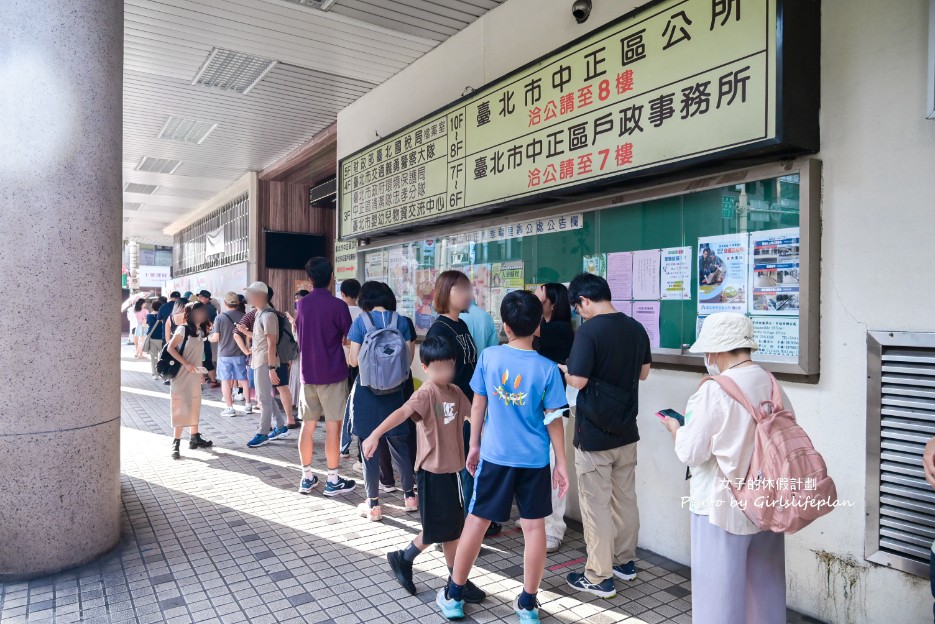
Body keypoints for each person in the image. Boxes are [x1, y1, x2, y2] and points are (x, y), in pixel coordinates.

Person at [438, 290, 568, 623]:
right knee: (534, 528)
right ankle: (527, 604)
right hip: (535, 460)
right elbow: (554, 420)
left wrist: (475, 445)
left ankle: (453, 595)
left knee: (477, 521)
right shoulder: (548, 369)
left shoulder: (491, 357)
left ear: (505, 326)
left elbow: (478, 404)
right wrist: (561, 464)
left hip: (495, 456)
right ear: (538, 325)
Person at [660, 313, 786, 624]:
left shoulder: (715, 390)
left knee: (718, 597)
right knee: (765, 589)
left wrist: (676, 429)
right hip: (766, 501)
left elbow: (692, 451)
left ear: (716, 350)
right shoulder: (769, 382)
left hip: (720, 506)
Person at [361, 336, 485, 603]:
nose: (445, 373)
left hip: (452, 472)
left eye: (449, 367)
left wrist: (488, 443)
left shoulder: (456, 392)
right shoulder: (426, 393)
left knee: (451, 529)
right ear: (426, 367)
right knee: (439, 529)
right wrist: (375, 435)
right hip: (430, 472)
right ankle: (409, 560)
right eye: (439, 368)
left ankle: (451, 577)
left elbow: (474, 417)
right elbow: (403, 413)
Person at [559, 273, 651, 598]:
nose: (578, 313)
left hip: (595, 434)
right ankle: (625, 563)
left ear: (584, 300)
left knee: (595, 504)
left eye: (577, 307)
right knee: (626, 499)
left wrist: (565, 371)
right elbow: (643, 373)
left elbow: (579, 382)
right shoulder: (636, 328)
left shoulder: (589, 332)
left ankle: (599, 576)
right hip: (627, 431)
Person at [425, 271, 501, 535]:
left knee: (470, 467)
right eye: (465, 289)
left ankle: (470, 525)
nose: (470, 294)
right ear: (449, 292)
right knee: (461, 470)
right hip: (454, 412)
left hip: (469, 408)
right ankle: (460, 531)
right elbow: (438, 379)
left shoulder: (462, 325)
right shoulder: (439, 329)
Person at [346, 281, 417, 521]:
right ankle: (410, 497)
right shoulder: (403, 322)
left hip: (367, 394)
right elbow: (408, 359)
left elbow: (353, 362)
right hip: (396, 394)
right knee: (400, 446)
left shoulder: (361, 322)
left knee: (369, 448)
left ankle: (373, 505)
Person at [516, 283, 575, 552]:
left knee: (553, 465)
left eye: (540, 295)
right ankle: (536, 518)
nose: (536, 299)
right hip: (535, 407)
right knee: (535, 465)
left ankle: (554, 527)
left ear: (552, 302)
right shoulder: (542, 328)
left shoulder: (558, 330)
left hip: (553, 408)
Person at [294, 257, 357, 497]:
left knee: (307, 426)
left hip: (307, 374)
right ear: (332, 277)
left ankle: (307, 477)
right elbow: (348, 338)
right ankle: (332, 479)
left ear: (309, 280)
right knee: (333, 427)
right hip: (333, 372)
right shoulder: (338, 306)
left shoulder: (302, 305)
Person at [243, 282, 290, 448]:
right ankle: (280, 425)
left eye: (251, 294)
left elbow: (272, 343)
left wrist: (271, 368)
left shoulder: (268, 315)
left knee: (262, 398)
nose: (248, 297)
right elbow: (262, 339)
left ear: (261, 296)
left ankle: (263, 433)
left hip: (265, 362)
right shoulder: (259, 313)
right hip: (259, 360)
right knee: (265, 396)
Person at [165, 302, 214, 459]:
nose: (201, 315)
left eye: (202, 312)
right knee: (180, 406)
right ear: (190, 314)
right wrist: (185, 363)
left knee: (194, 404)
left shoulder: (200, 331)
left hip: (194, 375)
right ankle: (176, 442)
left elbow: (199, 355)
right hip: (180, 374)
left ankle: (194, 437)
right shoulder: (182, 328)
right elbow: (170, 348)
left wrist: (201, 373)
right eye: (197, 312)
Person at [211, 292, 249, 417]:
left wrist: (208, 338)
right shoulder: (245, 316)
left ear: (225, 303)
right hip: (240, 353)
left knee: (225, 381)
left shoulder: (220, 318)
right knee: (243, 379)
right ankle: (248, 405)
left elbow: (216, 337)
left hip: (224, 355)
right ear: (238, 303)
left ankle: (230, 408)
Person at [287, 290, 309, 427]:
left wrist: (293, 323)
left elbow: (298, 334)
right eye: (296, 299)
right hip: (298, 351)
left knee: (302, 380)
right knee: (297, 378)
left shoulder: (306, 313)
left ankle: (304, 409)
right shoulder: (298, 312)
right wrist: (293, 323)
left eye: (299, 299)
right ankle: (300, 408)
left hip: (304, 351)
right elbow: (294, 334)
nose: (297, 301)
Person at [197, 290, 219, 387]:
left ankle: (212, 380)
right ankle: (206, 379)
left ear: (206, 298)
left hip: (204, 337)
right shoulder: (206, 308)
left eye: (201, 297)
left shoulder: (208, 309)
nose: (199, 299)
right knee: (203, 359)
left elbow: (210, 324)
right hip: (203, 337)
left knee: (206, 359)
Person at [145, 300, 165, 379]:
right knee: (163, 356)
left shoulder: (149, 316)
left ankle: (155, 374)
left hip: (152, 338)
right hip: (161, 338)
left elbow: (148, 325)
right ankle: (163, 372)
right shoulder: (162, 316)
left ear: (152, 307)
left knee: (154, 357)